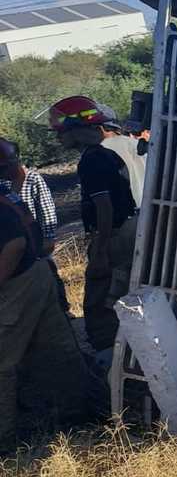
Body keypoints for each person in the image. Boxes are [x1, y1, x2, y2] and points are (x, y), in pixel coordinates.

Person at [47, 96, 138, 362]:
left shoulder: (92, 160)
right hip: (127, 230)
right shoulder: (107, 154)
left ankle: (109, 365)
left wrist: (99, 251)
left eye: (60, 132)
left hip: (114, 236)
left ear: (76, 129)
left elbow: (104, 207)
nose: (58, 138)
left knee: (100, 306)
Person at [0, 189, 83, 452]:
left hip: (18, 283)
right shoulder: (5, 194)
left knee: (2, 360)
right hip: (36, 274)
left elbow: (15, 244)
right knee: (58, 350)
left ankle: (4, 440)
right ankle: (83, 412)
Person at [0, 137, 66, 312]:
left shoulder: (32, 179)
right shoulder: (5, 187)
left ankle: (63, 307)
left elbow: (46, 209)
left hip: (33, 250)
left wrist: (48, 239)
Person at [102, 116, 147, 208]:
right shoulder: (137, 144)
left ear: (101, 128)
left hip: (122, 209)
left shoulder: (101, 149)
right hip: (145, 206)